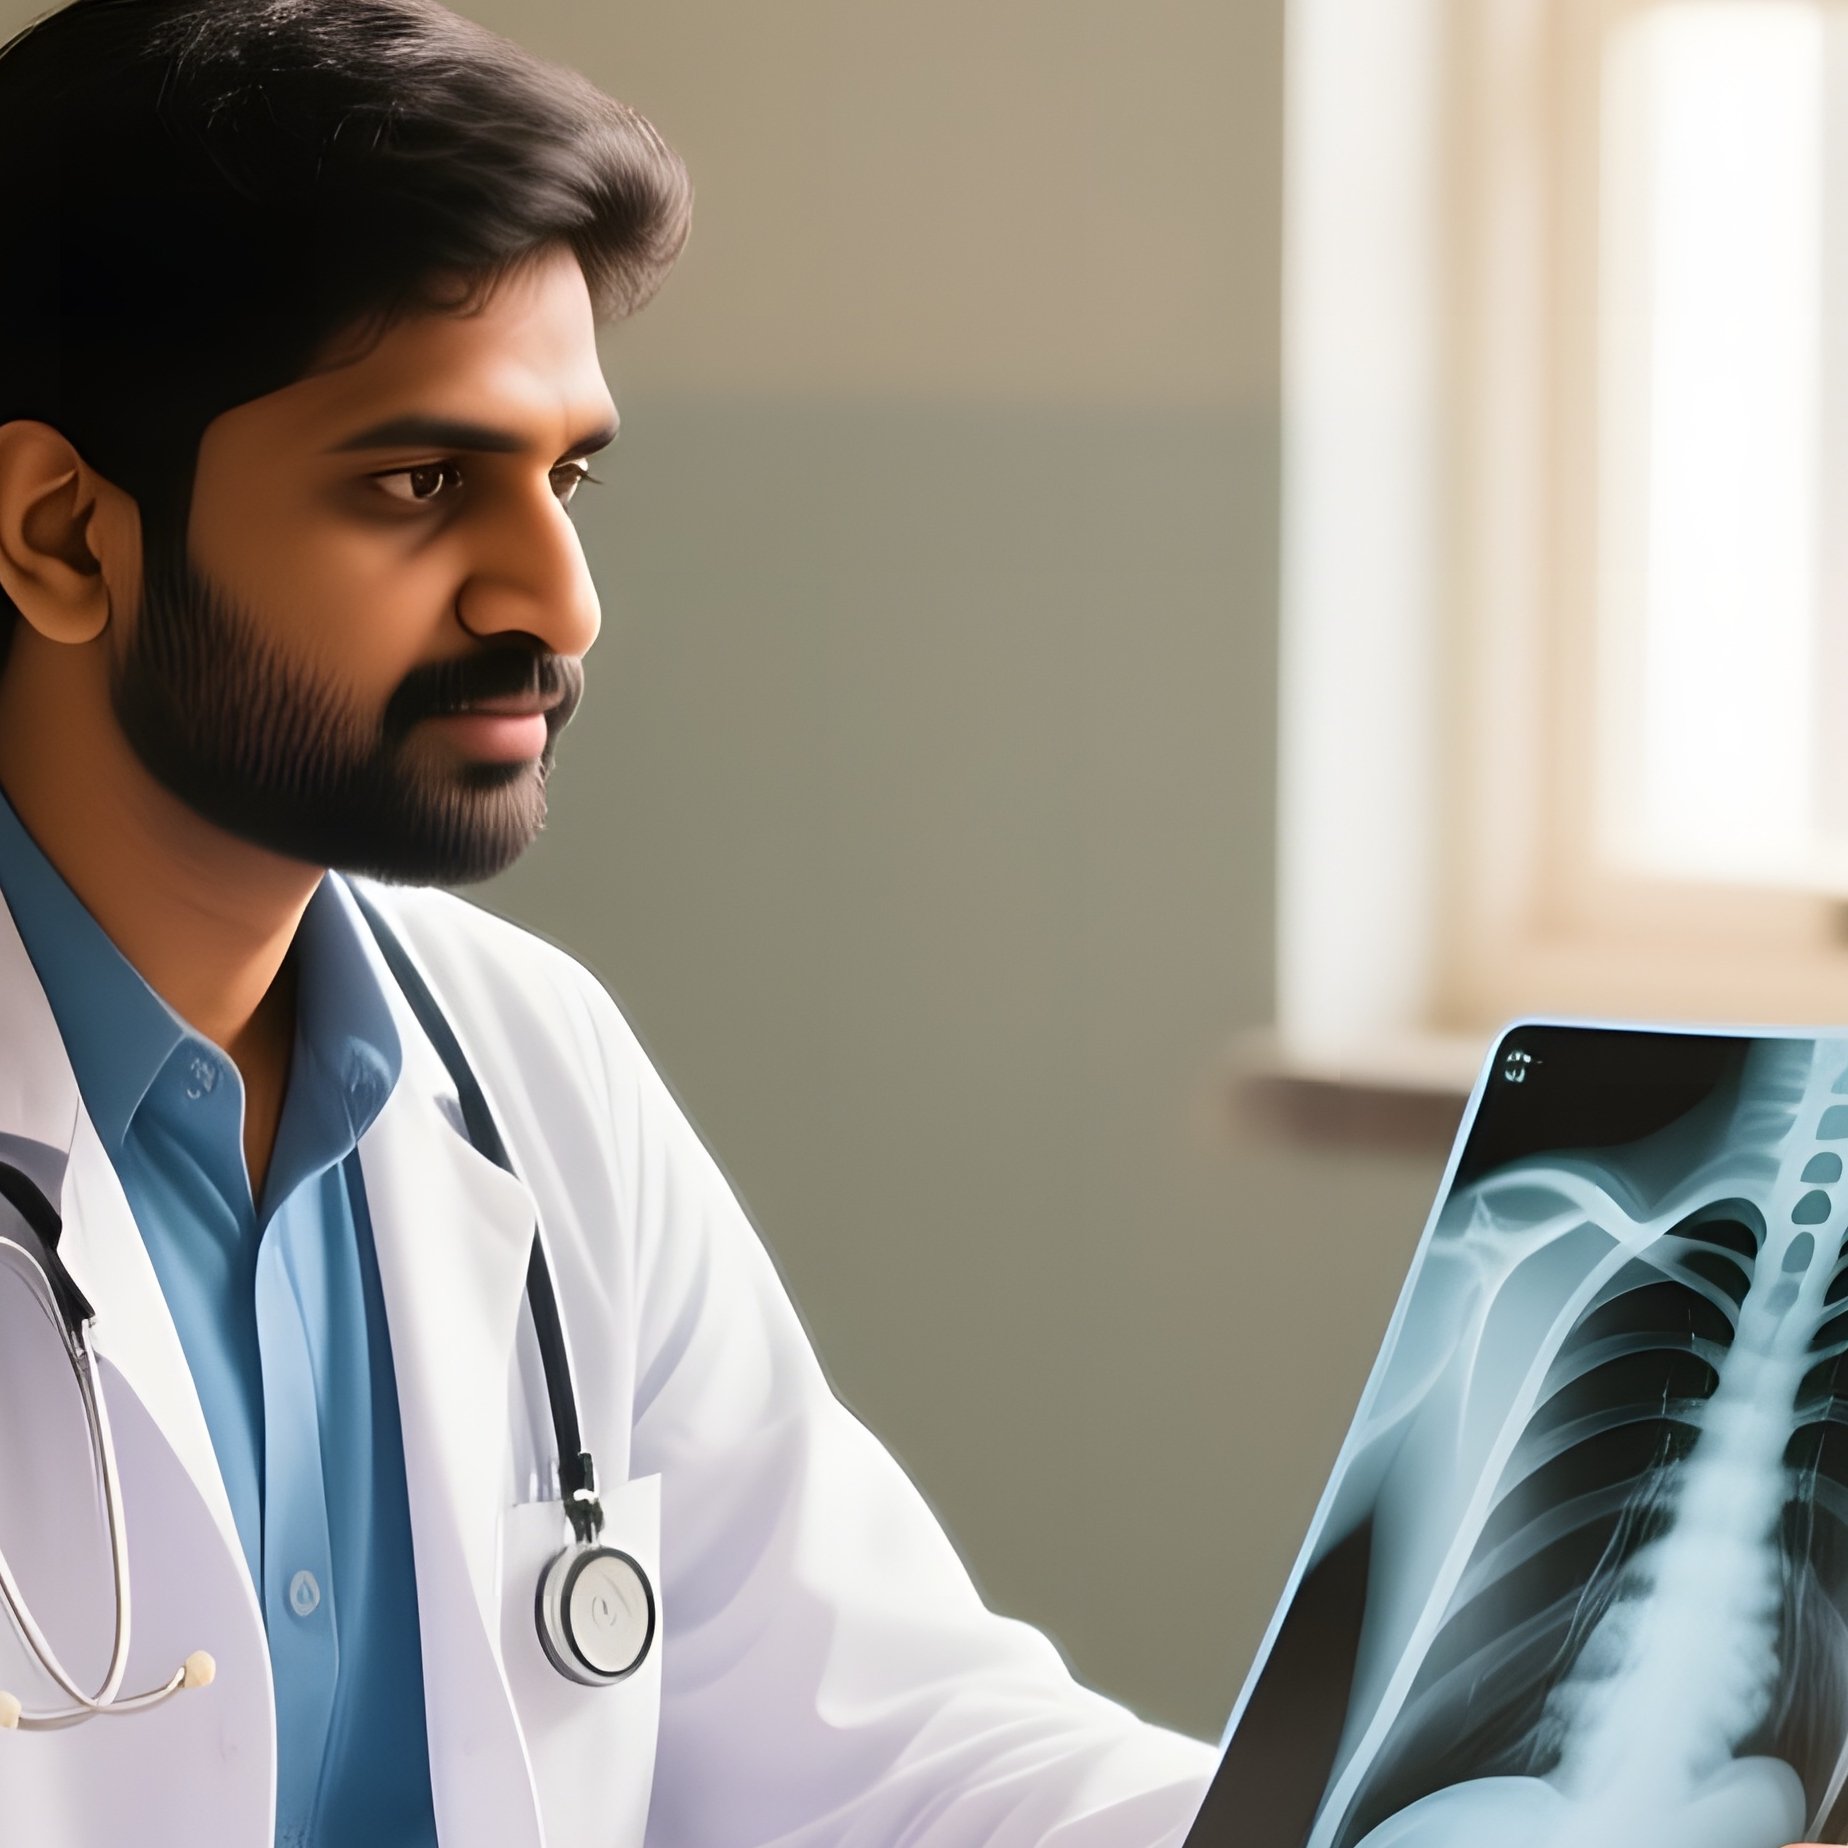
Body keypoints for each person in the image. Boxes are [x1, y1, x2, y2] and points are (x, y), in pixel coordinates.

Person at [0, 0, 1222, 1842]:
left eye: (565, 478)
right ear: (65, 536)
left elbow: (887, 1743)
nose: (560, 600)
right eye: (420, 483)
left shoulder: (523, 1057)